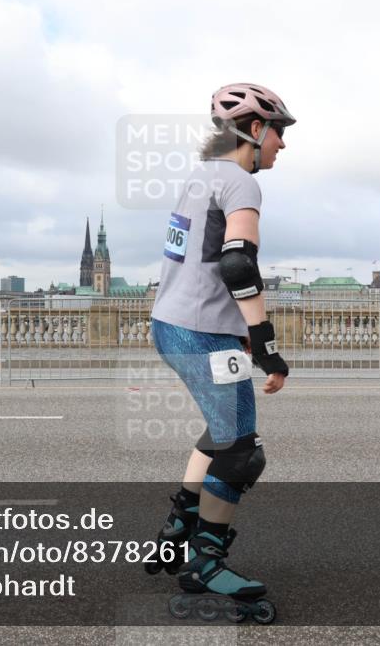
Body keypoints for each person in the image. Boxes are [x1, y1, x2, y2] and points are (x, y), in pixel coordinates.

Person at [146, 83, 294, 620]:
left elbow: (200, 263)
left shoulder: (199, 177)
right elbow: (237, 264)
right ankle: (204, 562)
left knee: (221, 432)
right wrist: (266, 344)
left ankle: (180, 524)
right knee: (240, 452)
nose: (282, 144)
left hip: (172, 325)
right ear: (255, 130)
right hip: (201, 333)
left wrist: (237, 331)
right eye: (279, 133)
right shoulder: (240, 182)